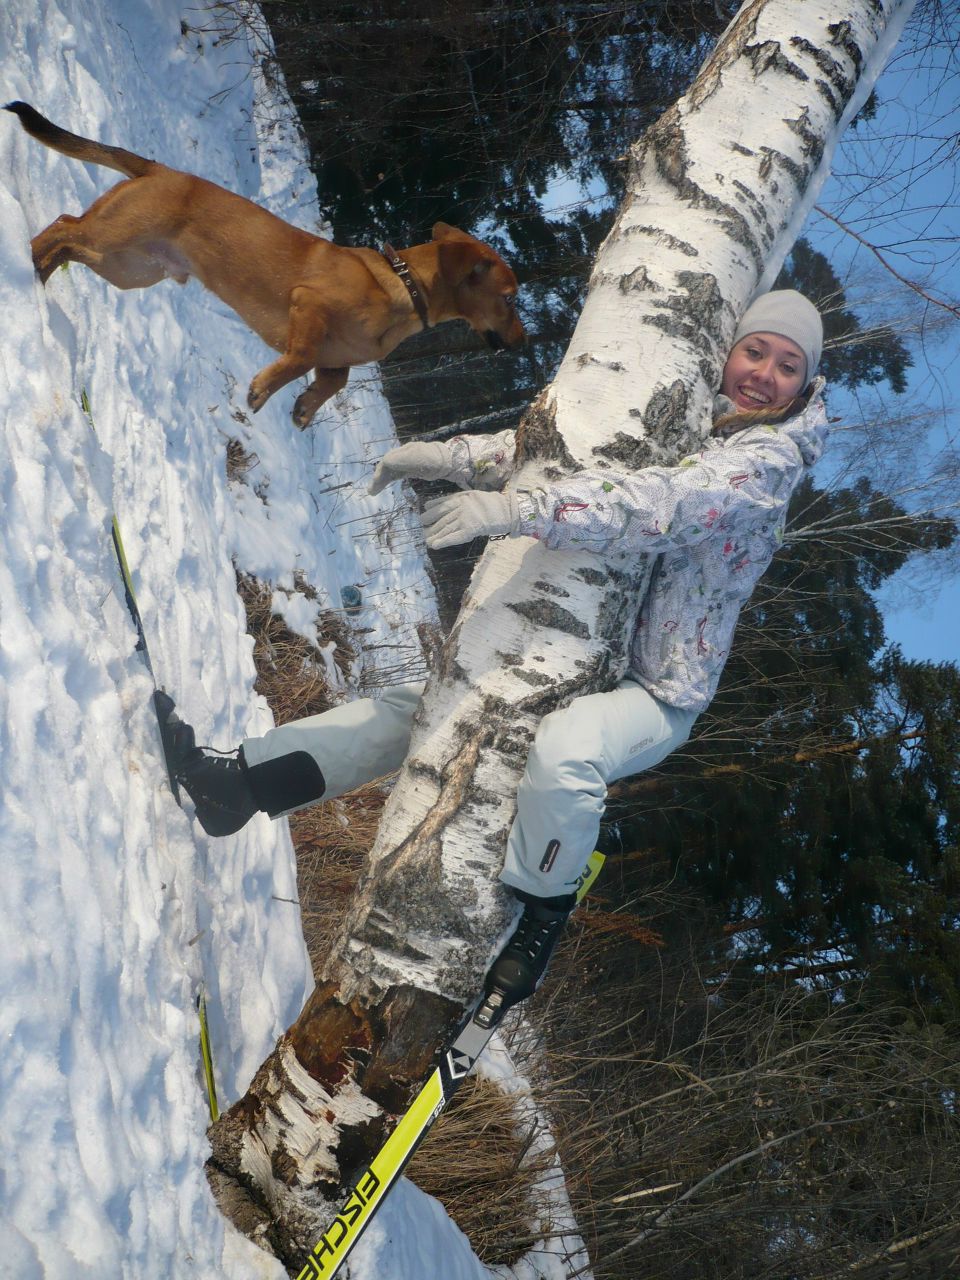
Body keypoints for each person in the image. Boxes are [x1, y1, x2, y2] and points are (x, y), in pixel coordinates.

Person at [162, 288, 827, 1016]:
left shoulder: (763, 464)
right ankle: (240, 785)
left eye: (788, 365)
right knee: (427, 709)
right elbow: (576, 456)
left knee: (569, 750)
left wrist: (517, 509)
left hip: (656, 689)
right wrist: (454, 459)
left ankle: (543, 912)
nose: (764, 372)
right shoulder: (685, 410)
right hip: (577, 648)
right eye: (755, 350)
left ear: (804, 387)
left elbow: (660, 503)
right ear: (728, 351)